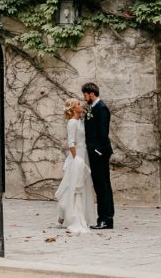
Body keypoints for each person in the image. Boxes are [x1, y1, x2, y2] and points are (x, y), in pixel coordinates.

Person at [55, 97, 95, 234]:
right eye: (78, 104)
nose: (80, 105)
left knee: (81, 184)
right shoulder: (72, 122)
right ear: (73, 108)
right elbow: (71, 142)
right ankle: (67, 215)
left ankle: (66, 216)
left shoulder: (80, 121)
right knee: (72, 185)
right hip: (77, 156)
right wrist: (76, 158)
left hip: (84, 154)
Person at [82, 82, 114, 230]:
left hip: (99, 154)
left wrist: (98, 151)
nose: (84, 98)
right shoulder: (93, 108)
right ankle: (103, 218)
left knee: (103, 187)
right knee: (100, 187)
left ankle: (106, 219)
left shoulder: (101, 108)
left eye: (85, 95)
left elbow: (103, 133)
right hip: (94, 154)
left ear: (92, 94)